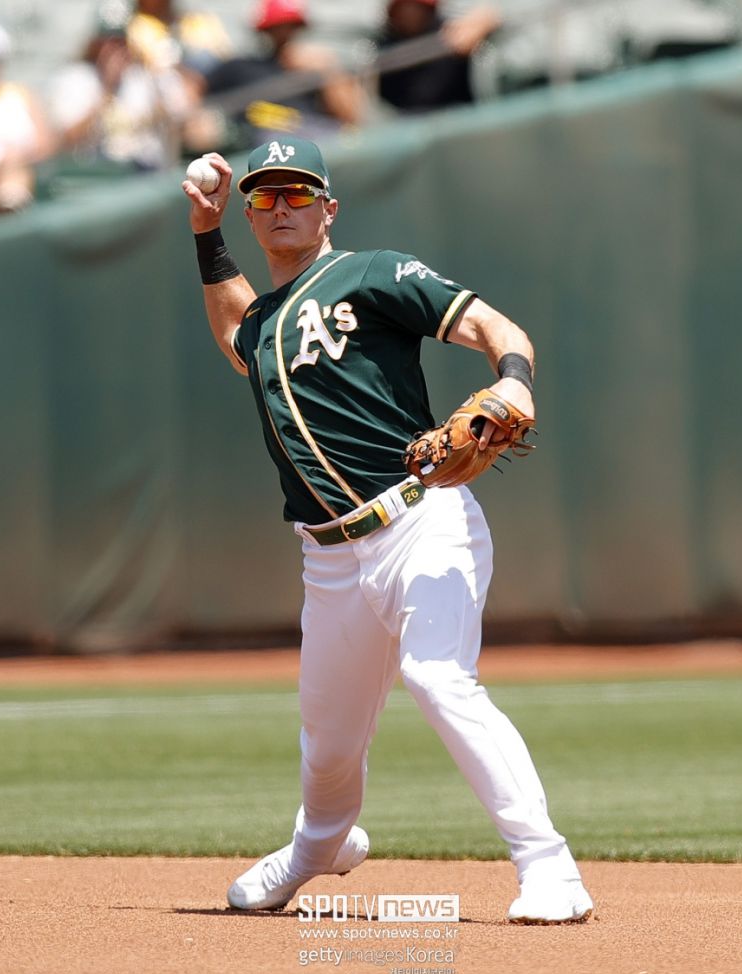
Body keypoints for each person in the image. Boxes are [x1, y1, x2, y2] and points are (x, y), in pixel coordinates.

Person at [182, 135, 594, 924]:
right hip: (329, 558)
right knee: (328, 746)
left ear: (329, 208)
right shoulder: (263, 324)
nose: (281, 206)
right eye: (264, 195)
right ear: (250, 213)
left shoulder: (372, 273)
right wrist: (206, 233)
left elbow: (498, 328)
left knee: (438, 677)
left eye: (299, 192)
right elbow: (238, 335)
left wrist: (513, 381)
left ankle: (549, 868)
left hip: (419, 519)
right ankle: (318, 848)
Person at [196, 0, 365, 151]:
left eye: (292, 26)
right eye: (277, 27)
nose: (285, 33)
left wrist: (327, 71)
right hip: (263, 143)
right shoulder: (241, 67)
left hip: (312, 138)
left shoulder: (315, 66)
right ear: (264, 31)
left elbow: (350, 121)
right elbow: (195, 85)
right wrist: (200, 119)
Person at [49, 4, 197, 173]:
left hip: (143, 170)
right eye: (107, 42)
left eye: (120, 43)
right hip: (95, 172)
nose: (114, 51)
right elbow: (67, 141)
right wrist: (107, 89)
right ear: (95, 44)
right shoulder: (75, 79)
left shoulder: (144, 76)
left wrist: (162, 69)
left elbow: (186, 116)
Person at [375, 0, 501, 114]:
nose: (410, 13)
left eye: (416, 7)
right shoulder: (384, 46)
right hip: (405, 118)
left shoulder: (452, 33)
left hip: (458, 113)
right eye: (405, 7)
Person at [0, 19, 54, 216]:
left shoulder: (20, 97)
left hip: (20, 181)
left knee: (14, 181)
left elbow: (46, 146)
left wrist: (15, 159)